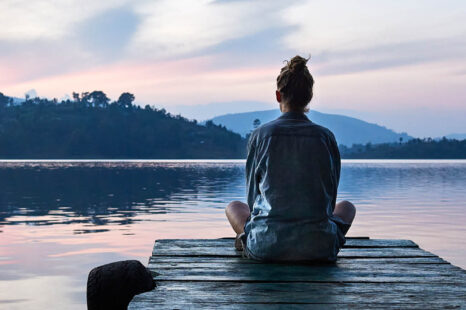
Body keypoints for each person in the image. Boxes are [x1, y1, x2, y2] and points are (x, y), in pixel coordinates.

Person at [225, 55, 356, 262]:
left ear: (278, 96)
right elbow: (330, 201)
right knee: (347, 207)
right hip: (319, 248)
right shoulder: (325, 136)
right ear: (310, 97)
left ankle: (247, 240)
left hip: (266, 248)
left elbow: (252, 198)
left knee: (234, 207)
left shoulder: (261, 135)